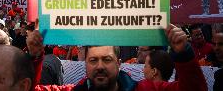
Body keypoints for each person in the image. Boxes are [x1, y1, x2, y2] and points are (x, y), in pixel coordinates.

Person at [73, 24, 208, 91]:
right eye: (93, 60)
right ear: (85, 64)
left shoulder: (145, 89)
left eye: (107, 59)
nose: (100, 66)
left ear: (119, 64)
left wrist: (184, 54)